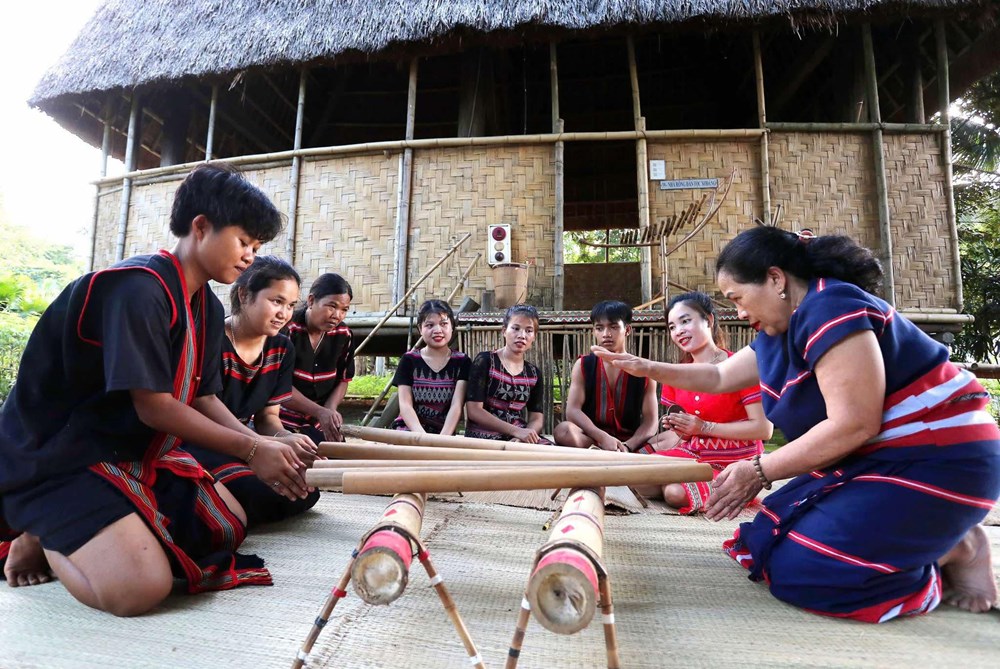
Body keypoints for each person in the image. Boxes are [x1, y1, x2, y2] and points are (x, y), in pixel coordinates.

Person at [594, 226, 1000, 622]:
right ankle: (946, 539)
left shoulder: (832, 305)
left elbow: (855, 424)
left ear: (775, 279)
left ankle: (950, 550)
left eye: (737, 297)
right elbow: (718, 377)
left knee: (814, 572)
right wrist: (644, 366)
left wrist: (758, 469)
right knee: (774, 536)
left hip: (939, 460)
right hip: (880, 461)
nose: (737, 311)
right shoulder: (778, 330)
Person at [0, 164, 312, 616]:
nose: (250, 256)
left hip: (127, 452)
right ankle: (40, 529)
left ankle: (87, 529)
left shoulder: (202, 301)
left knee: (227, 525)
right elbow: (154, 408)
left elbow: (204, 397)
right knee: (140, 590)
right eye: (244, 241)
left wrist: (264, 443)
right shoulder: (138, 289)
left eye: (257, 247)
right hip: (57, 457)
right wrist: (249, 451)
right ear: (201, 227)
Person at [185, 255, 321, 526]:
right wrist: (259, 446)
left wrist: (285, 439)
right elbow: (203, 403)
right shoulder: (212, 339)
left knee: (306, 484)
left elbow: (267, 419)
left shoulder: (281, 348)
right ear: (244, 294)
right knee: (260, 493)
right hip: (202, 441)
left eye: (291, 305)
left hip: (246, 441)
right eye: (276, 301)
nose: (284, 313)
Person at [642, 292, 772, 515]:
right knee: (634, 479)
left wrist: (704, 427)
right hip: (692, 456)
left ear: (709, 320)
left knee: (674, 493)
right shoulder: (677, 374)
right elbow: (684, 435)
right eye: (672, 326)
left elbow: (764, 429)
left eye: (685, 321)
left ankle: (738, 487)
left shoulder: (739, 367)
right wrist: (678, 426)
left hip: (736, 462)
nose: (678, 331)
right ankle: (681, 482)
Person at [553, 300, 658, 453]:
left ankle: (620, 452)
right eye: (599, 328)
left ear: (627, 330)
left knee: (672, 437)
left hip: (631, 441)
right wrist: (602, 437)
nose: (606, 334)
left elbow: (651, 421)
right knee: (563, 431)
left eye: (614, 327)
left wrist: (629, 445)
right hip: (593, 439)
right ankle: (607, 451)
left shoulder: (644, 369)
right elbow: (573, 410)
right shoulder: (583, 364)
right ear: (594, 331)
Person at [280, 273, 355, 443]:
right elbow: (279, 386)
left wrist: (329, 409)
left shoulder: (344, 335)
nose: (337, 315)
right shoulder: (288, 331)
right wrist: (320, 412)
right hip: (281, 417)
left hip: (319, 418)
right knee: (303, 457)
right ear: (311, 300)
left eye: (344, 310)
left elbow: (344, 378)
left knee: (338, 458)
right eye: (331, 306)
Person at [465, 304, 549, 443]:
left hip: (518, 437)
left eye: (529, 331)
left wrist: (523, 437)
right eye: (515, 328)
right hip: (484, 436)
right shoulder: (485, 361)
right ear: (504, 331)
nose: (522, 335)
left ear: (534, 336)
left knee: (551, 455)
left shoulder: (534, 374)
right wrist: (515, 431)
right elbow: (474, 411)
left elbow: (536, 417)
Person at [391, 300, 471, 435]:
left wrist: (442, 438)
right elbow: (405, 405)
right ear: (420, 328)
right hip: (410, 430)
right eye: (430, 325)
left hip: (443, 431)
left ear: (452, 326)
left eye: (443, 324)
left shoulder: (462, 362)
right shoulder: (409, 360)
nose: (437, 330)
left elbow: (457, 405)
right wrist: (422, 437)